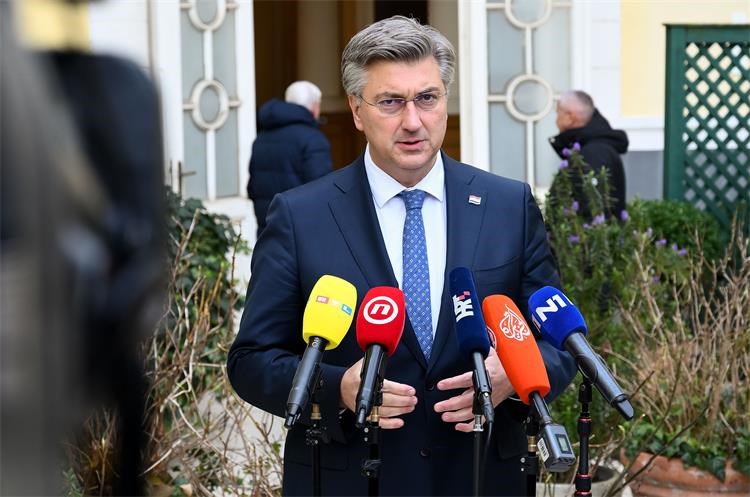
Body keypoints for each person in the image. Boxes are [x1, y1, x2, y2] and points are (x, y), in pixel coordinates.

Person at [228, 16, 576, 496]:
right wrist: (337, 388)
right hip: (352, 477)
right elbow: (251, 361)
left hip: (481, 476)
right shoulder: (300, 215)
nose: (413, 121)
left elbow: (561, 344)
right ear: (356, 110)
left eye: (427, 98)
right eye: (391, 102)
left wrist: (515, 376)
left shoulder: (507, 205)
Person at [247, 80, 332, 237]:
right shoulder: (313, 139)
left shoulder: (261, 138)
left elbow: (252, 188)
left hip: (267, 230)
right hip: (302, 233)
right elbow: (322, 191)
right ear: (314, 107)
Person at [549, 90, 629, 218]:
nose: (556, 120)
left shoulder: (593, 153)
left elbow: (593, 208)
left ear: (570, 117)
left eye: (558, 113)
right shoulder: (591, 147)